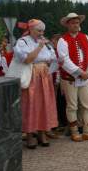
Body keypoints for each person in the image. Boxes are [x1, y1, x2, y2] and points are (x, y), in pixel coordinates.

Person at [12, 19, 58, 149]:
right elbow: (27, 59)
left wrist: (48, 67)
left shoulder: (46, 43)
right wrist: (39, 47)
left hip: (44, 76)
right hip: (31, 76)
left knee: (44, 104)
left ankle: (42, 132)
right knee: (30, 104)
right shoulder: (23, 42)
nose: (41, 33)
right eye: (39, 30)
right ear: (31, 30)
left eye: (43, 30)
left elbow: (54, 58)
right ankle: (30, 135)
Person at [57, 13, 88, 142]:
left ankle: (87, 131)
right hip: (70, 78)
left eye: (77, 22)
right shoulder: (62, 40)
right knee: (72, 106)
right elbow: (64, 60)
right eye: (73, 22)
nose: (76, 25)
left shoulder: (85, 37)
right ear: (67, 25)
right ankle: (74, 131)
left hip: (85, 77)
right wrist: (78, 72)